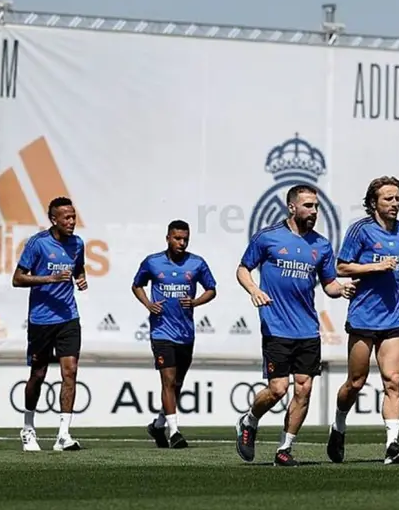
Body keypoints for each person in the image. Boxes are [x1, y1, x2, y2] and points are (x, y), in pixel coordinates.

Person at [234, 184, 356, 467]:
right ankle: (249, 421)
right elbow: (242, 269)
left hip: (308, 329)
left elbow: (329, 285)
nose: (314, 211)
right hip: (276, 326)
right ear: (292, 207)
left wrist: (343, 289)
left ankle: (284, 449)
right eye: (308, 206)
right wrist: (253, 288)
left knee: (303, 389)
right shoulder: (268, 237)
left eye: (316, 206)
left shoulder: (322, 245)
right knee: (277, 390)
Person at [326, 176, 399, 465]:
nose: (394, 204)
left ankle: (392, 445)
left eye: (397, 199)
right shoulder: (360, 230)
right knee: (355, 382)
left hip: (393, 316)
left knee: (393, 381)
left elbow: (393, 268)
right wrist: (375, 266)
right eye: (388, 199)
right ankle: (339, 426)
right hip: (364, 316)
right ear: (373, 203)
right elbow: (341, 267)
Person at [12, 196, 90, 452]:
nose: (71, 222)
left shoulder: (78, 243)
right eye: (66, 218)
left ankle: (63, 435)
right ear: (53, 219)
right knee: (38, 374)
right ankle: (28, 428)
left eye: (73, 216)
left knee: (70, 372)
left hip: (68, 317)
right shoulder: (37, 243)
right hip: (41, 319)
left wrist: (81, 280)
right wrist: (51, 278)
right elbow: (18, 279)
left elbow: (79, 269)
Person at [132, 219, 218, 449]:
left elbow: (212, 289)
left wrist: (195, 302)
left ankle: (158, 425)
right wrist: (148, 304)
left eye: (185, 239)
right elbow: (136, 285)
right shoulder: (153, 262)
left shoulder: (197, 263)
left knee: (178, 383)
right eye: (178, 238)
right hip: (161, 332)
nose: (182, 243)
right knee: (168, 381)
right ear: (168, 238)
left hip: (186, 333)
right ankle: (175, 432)